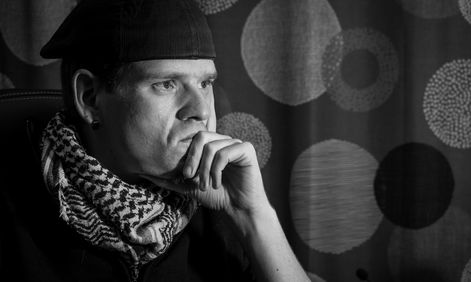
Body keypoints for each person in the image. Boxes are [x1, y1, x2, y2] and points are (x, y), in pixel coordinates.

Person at [0, 0, 310, 281]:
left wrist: (252, 216)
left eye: (205, 82)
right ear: (90, 98)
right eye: (166, 84)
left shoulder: (218, 206)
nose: (201, 110)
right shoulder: (14, 212)